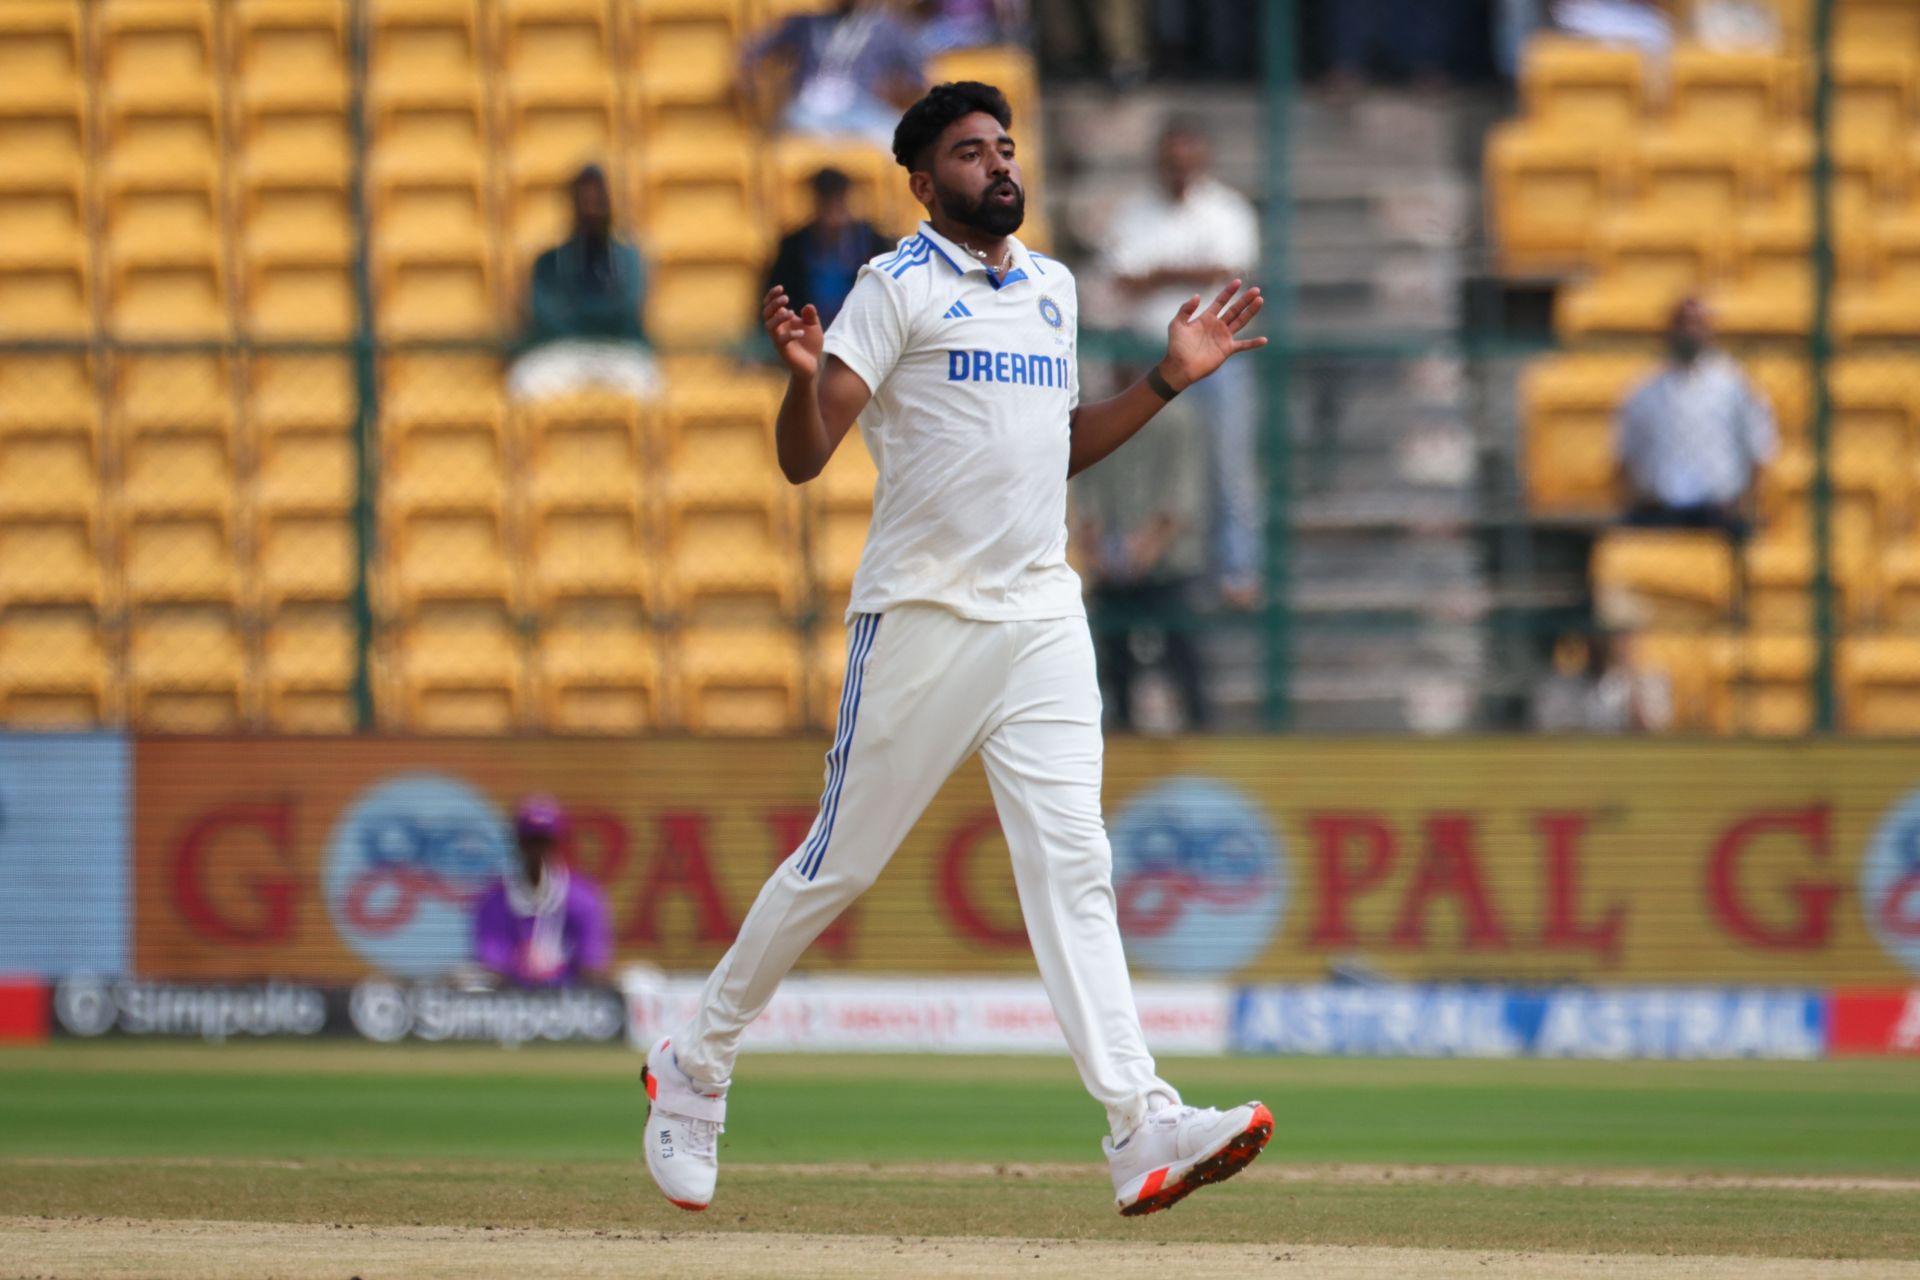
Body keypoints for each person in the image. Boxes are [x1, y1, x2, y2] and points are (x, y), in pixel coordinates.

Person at [640, 81, 1272, 1219]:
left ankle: (1141, 1123)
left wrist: (1170, 378)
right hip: (923, 615)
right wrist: (797, 384)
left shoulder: (1055, 290)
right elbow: (807, 453)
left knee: (1074, 864)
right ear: (926, 184)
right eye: (973, 153)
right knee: (842, 863)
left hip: (1039, 613)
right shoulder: (892, 288)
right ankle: (694, 1063)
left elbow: (1058, 447)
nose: (999, 165)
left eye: (1007, 146)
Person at [1105, 119, 1263, 609]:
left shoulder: (1226, 209)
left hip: (1214, 356)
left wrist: (1157, 274)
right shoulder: (1134, 213)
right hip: (1151, 353)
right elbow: (1125, 280)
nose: (1179, 171)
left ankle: (1236, 571)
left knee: (1229, 466)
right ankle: (1142, 569)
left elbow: (1227, 272)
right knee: (1141, 467)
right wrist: (1192, 273)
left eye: (1187, 161)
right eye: (1172, 162)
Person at [1074, 389, 1210, 732]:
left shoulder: (1178, 418)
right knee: (1112, 663)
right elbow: (1085, 488)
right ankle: (1121, 737)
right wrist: (1097, 547)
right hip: (1113, 562)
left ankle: (1197, 738)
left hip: (1167, 563)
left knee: (1183, 658)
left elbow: (1182, 493)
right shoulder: (1099, 412)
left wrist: (1149, 545)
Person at [1614, 297, 1776, 538]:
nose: (1690, 332)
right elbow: (1624, 454)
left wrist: (1746, 505)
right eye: (1683, 324)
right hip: (1661, 511)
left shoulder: (1734, 385)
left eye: (1697, 324)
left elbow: (1759, 448)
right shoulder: (1644, 390)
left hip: (1720, 512)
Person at [507, 165, 661, 405]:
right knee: (524, 382)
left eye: (598, 199)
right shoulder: (549, 261)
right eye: (585, 199)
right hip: (566, 348)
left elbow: (629, 309)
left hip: (617, 348)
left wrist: (574, 312)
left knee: (649, 385)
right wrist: (601, 315)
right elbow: (545, 315)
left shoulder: (627, 257)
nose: (592, 207)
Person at [739, 0, 925, 148]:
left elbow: (917, 78)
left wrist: (892, 89)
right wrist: (752, 83)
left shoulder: (886, 28)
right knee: (788, 140)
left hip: (865, 110)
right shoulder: (804, 24)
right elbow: (753, 52)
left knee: (905, 142)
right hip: (808, 111)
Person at [471, 796, 612, 988]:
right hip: (512, 1006)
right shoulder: (495, 901)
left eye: (544, 842)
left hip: (570, 1004)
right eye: (530, 842)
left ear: (556, 843)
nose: (537, 851)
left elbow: (592, 966)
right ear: (518, 843)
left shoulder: (583, 899)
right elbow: (492, 968)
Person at [764, 168, 893, 330]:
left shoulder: (874, 245)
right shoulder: (792, 247)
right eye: (826, 202)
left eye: (838, 201)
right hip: (807, 335)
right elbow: (777, 301)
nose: (832, 212)